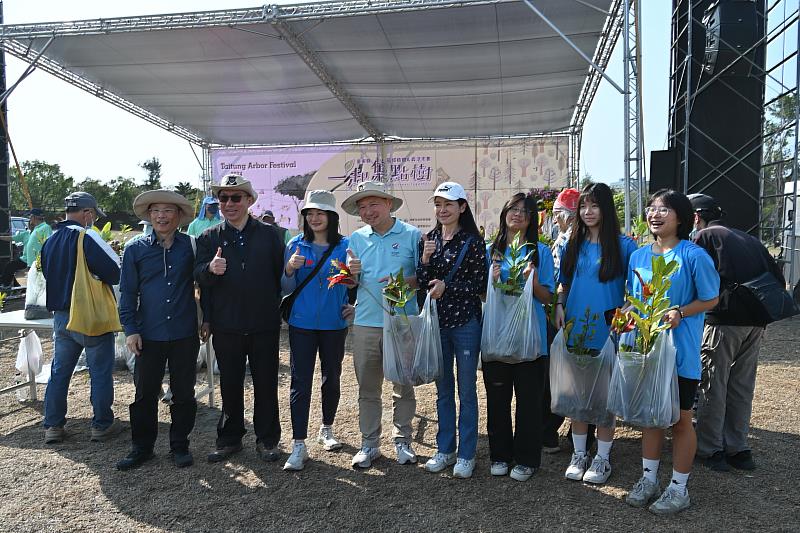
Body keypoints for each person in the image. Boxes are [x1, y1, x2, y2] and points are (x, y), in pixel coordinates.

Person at [623, 189, 719, 514]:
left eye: (663, 209)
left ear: (681, 217)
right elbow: (632, 297)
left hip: (681, 353)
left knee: (680, 421)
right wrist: (623, 322)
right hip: (646, 351)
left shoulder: (693, 256)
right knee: (652, 418)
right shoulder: (637, 256)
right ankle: (648, 480)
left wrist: (681, 311)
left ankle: (679, 489)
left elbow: (711, 298)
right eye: (651, 208)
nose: (655, 214)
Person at [194, 174, 285, 463]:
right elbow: (197, 277)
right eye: (223, 198)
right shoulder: (209, 237)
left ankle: (267, 438)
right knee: (230, 383)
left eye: (236, 197)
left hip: (263, 323)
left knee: (266, 382)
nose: (229, 203)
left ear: (249, 200)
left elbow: (281, 277)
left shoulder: (271, 235)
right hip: (226, 322)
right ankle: (230, 437)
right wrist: (210, 268)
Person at [689, 193, 783, 472]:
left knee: (713, 384)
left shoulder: (704, 238)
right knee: (742, 385)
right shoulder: (749, 238)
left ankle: (710, 449)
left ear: (696, 217)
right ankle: (739, 448)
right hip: (756, 321)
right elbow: (778, 279)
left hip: (723, 320)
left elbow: (696, 280)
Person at [553, 183, 637, 484]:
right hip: (576, 328)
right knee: (577, 395)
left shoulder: (624, 246)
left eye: (595, 206)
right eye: (584, 206)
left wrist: (624, 313)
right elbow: (563, 282)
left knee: (604, 398)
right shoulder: (571, 244)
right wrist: (560, 305)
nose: (588, 212)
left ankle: (602, 458)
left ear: (606, 209)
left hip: (607, 333)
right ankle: (579, 454)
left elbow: (638, 291)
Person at [116, 190, 200, 470]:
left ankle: (179, 445)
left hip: (184, 331)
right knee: (144, 394)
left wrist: (207, 319)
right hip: (148, 333)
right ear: (149, 216)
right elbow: (127, 294)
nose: (161, 216)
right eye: (155, 211)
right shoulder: (135, 249)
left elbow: (205, 286)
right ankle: (142, 447)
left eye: (167, 211)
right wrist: (130, 329)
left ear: (178, 216)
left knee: (184, 392)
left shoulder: (191, 246)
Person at [342, 181, 421, 469]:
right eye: (361, 207)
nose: (367, 211)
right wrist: (350, 276)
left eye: (373, 204)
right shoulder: (357, 239)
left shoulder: (412, 235)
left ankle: (402, 441)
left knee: (403, 384)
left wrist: (403, 282)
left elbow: (423, 277)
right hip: (366, 322)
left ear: (389, 203)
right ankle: (370, 444)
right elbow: (354, 283)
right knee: (368, 387)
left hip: (402, 320)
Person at [416, 182, 487, 479]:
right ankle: (445, 450)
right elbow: (423, 283)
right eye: (438, 204)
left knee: (466, 392)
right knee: (442, 391)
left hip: (466, 324)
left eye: (448, 204)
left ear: (462, 207)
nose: (442, 210)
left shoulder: (472, 241)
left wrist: (449, 287)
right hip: (437, 325)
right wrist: (425, 260)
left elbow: (480, 287)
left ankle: (467, 454)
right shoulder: (429, 239)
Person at [281, 190, 356, 471]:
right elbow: (285, 288)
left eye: (319, 213)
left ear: (331, 217)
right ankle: (298, 444)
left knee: (331, 376)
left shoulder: (345, 246)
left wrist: (354, 297)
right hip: (301, 324)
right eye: (309, 213)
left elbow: (354, 285)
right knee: (300, 381)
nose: (314, 218)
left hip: (333, 325)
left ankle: (327, 428)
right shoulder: (296, 245)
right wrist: (289, 269)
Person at [483, 192, 555, 482]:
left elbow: (548, 297)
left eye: (525, 211)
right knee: (497, 400)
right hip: (498, 336)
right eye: (513, 209)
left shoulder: (541, 252)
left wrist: (532, 281)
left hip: (530, 339)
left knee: (529, 402)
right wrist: (493, 278)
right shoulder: (492, 251)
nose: (518, 215)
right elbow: (482, 293)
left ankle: (526, 459)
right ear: (504, 213)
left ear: (532, 218)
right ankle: (500, 455)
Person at [40, 192, 121, 444]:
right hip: (89, 314)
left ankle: (52, 425)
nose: (93, 220)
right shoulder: (87, 235)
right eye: (94, 215)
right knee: (99, 371)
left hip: (61, 317)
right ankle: (101, 424)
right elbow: (115, 271)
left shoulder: (49, 240)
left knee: (60, 372)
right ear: (87, 213)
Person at [543, 187, 579, 454]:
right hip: (564, 311)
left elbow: (560, 283)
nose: (555, 219)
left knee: (559, 374)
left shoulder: (569, 242)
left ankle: (551, 430)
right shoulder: (565, 239)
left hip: (563, 313)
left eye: (558, 214)